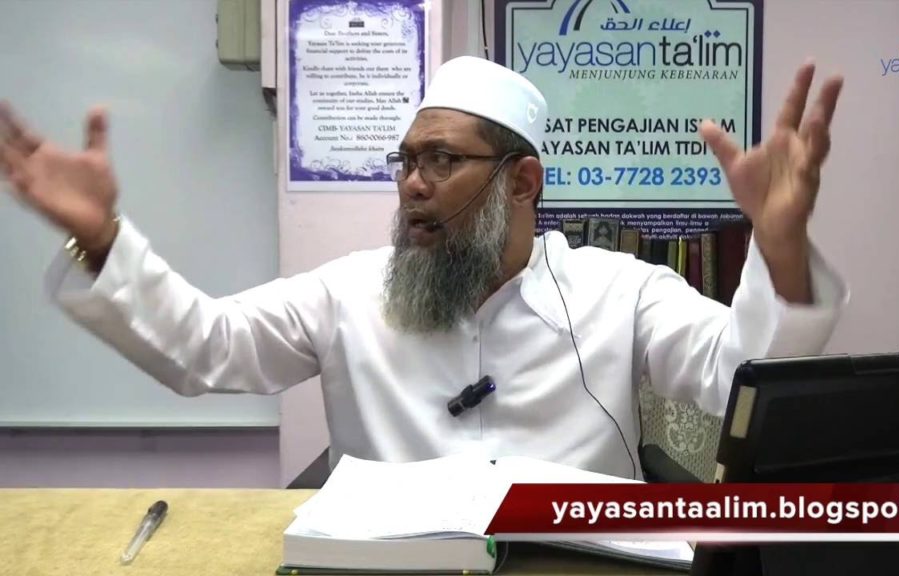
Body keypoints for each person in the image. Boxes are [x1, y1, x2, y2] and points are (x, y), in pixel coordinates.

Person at [0, 56, 847, 480]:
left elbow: (740, 378)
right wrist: (104, 241)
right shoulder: (347, 292)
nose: (412, 184)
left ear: (522, 181)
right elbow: (205, 348)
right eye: (405, 160)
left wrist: (778, 243)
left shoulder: (621, 291)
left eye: (442, 160)